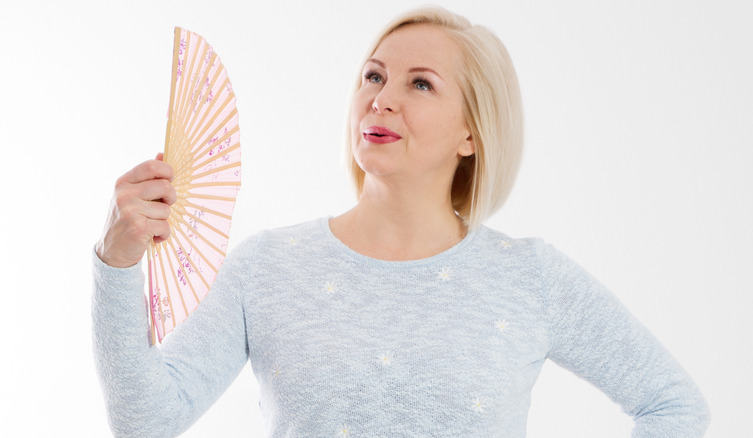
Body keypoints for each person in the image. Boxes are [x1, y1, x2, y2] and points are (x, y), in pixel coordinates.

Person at [93, 6, 710, 437]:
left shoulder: (530, 277)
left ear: (472, 131)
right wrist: (117, 260)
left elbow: (673, 405)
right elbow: (146, 421)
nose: (381, 98)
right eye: (374, 75)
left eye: (420, 83)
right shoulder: (268, 267)